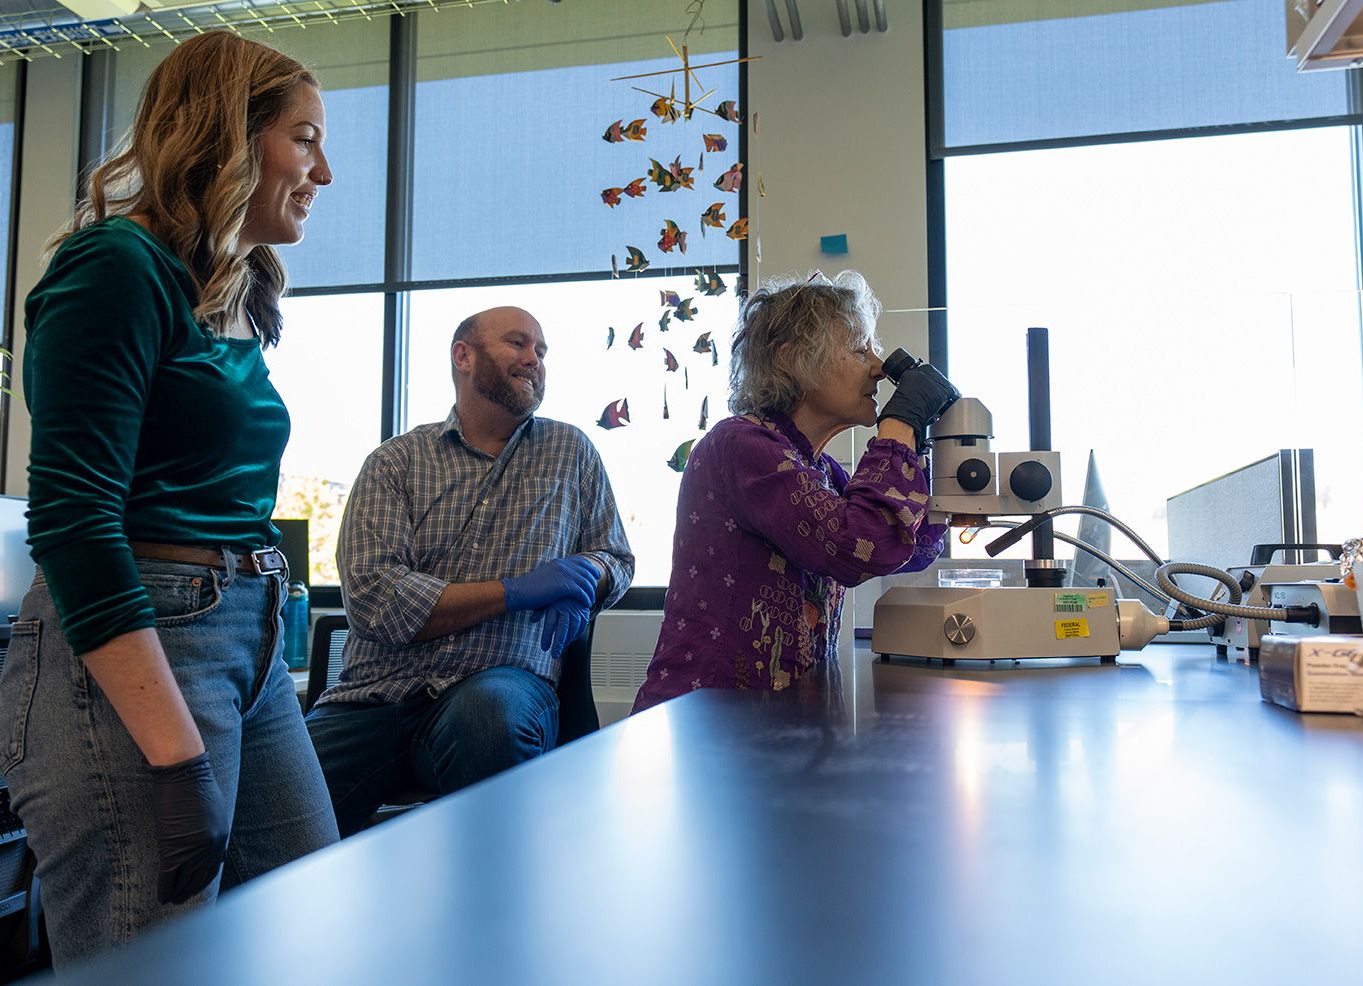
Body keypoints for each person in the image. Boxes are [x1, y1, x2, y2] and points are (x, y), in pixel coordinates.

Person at [0, 32, 338, 964]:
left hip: (247, 635)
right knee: (161, 960)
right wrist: (177, 759)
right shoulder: (116, 267)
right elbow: (73, 523)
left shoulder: (227, 295)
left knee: (308, 931)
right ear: (233, 134)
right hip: (145, 641)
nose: (326, 171)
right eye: (305, 139)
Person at [306, 306, 634, 836]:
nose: (535, 360)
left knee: (489, 719)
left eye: (542, 351)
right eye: (518, 344)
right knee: (270, 809)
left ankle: (493, 912)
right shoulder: (395, 462)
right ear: (464, 355)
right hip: (374, 699)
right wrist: (514, 593)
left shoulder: (569, 452)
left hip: (497, 685)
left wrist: (587, 577)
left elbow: (615, 557)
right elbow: (374, 599)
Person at [632, 270, 957, 712]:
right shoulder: (741, 445)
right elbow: (856, 546)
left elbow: (908, 548)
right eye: (860, 349)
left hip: (778, 718)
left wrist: (943, 468)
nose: (880, 367)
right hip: (709, 719)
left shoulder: (816, 468)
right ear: (793, 359)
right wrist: (899, 424)